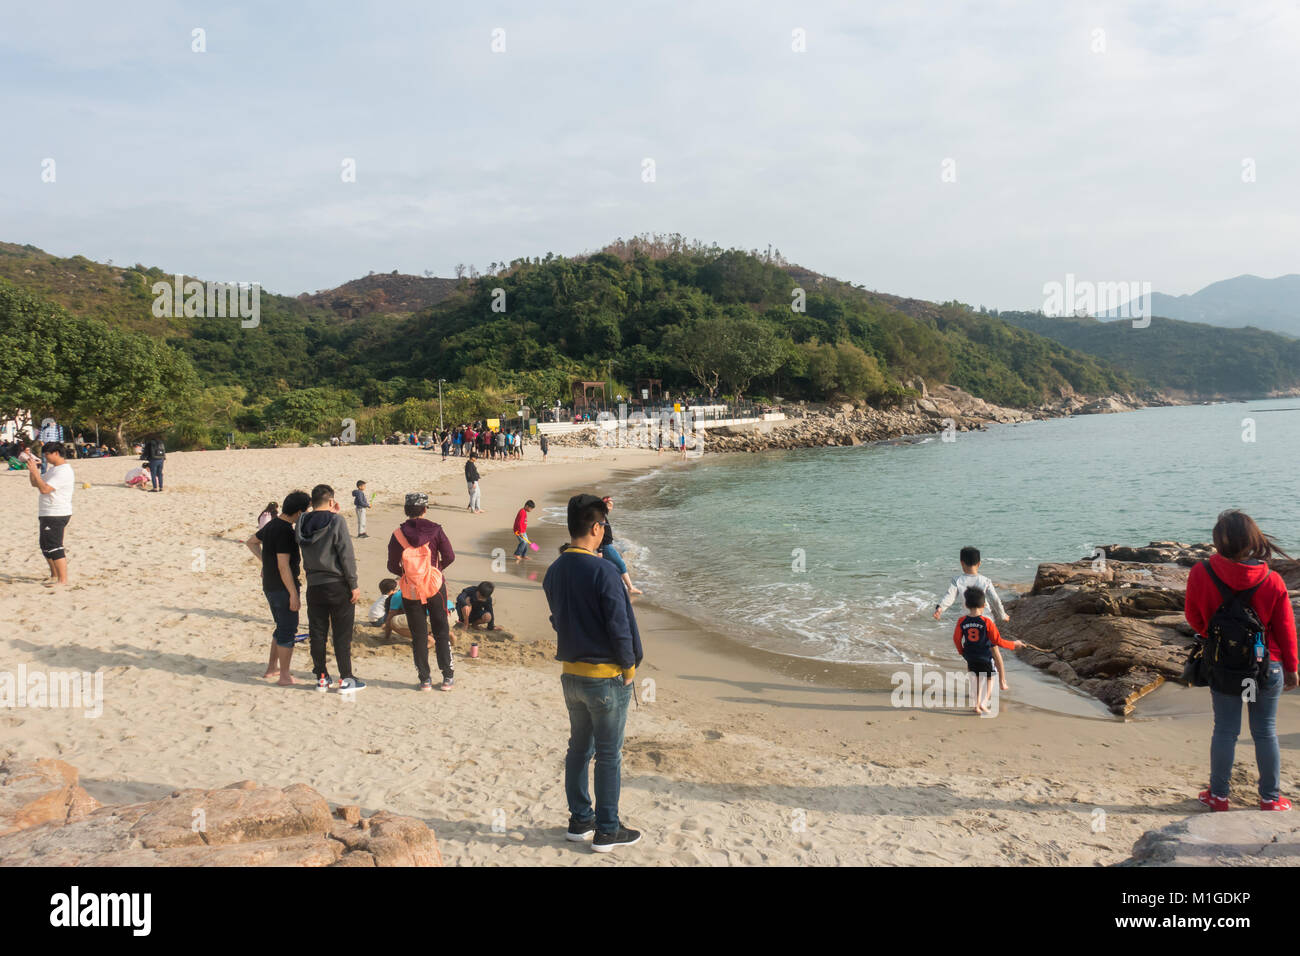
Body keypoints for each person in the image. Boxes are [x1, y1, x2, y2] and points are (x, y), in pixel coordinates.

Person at [543, 494, 643, 853]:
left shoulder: (555, 570)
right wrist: (629, 668)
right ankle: (606, 829)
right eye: (603, 526)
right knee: (608, 754)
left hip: (571, 674)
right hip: (605, 674)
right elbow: (620, 625)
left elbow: (558, 619)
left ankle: (579, 820)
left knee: (578, 750)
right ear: (597, 528)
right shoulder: (605, 571)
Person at [1186, 510, 1298, 812]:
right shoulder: (1272, 580)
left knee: (1225, 730)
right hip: (1265, 665)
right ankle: (1270, 799)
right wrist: (1292, 668)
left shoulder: (1200, 572)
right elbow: (1287, 629)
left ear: (1218, 541)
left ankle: (1219, 796)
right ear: (1251, 540)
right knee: (1265, 731)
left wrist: (1217, 636)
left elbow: (1193, 617)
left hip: (1224, 665)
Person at [296, 484, 365, 692]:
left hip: (314, 585)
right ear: (332, 501)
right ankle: (346, 678)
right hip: (337, 584)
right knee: (342, 635)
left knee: (317, 633)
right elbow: (346, 554)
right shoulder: (336, 520)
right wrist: (353, 584)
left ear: (312, 502)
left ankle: (322, 677)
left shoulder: (301, 522)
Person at [388, 492, 456, 691]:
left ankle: (424, 679)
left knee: (418, 635)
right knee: (441, 631)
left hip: (411, 589)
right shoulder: (435, 530)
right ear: (425, 509)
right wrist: (437, 570)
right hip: (435, 586)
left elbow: (392, 565)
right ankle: (447, 677)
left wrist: (408, 573)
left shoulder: (398, 534)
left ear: (406, 510)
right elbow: (450, 556)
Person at [245, 490, 310, 685]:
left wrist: (265, 562)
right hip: (282, 587)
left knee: (281, 626)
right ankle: (284, 675)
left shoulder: (272, 524)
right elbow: (284, 566)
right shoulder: (286, 532)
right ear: (299, 512)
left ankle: (272, 668)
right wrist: (293, 595)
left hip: (270, 585)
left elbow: (251, 542)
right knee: (288, 630)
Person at [933, 546, 1012, 688]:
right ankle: (1002, 681)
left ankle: (974, 686)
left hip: (968, 622)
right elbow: (995, 600)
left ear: (961, 563)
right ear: (979, 563)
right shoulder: (985, 580)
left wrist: (940, 608)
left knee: (971, 655)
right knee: (994, 650)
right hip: (986, 621)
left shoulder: (957, 580)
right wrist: (1002, 615)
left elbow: (949, 596)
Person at [954, 587, 1023, 715]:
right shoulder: (987, 622)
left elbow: (957, 639)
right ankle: (983, 702)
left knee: (976, 679)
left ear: (966, 604)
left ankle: (976, 704)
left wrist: (962, 652)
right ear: (984, 605)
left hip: (970, 656)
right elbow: (998, 641)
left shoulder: (961, 621)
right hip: (985, 657)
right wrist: (1014, 644)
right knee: (990, 678)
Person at [26, 442, 73, 587]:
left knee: (54, 545)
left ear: (56, 453)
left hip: (57, 512)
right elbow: (36, 484)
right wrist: (33, 471)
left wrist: (35, 472)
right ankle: (54, 575)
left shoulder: (63, 471)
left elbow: (45, 489)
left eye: (47, 454)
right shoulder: (54, 470)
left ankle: (63, 580)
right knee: (44, 545)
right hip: (47, 511)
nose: (45, 457)